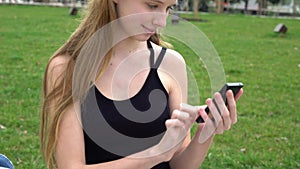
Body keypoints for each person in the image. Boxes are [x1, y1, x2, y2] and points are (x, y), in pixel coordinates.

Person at [40, 0, 243, 169]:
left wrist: (205, 133)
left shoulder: (171, 63)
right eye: (153, 5)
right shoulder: (67, 68)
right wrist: (153, 155)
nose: (162, 21)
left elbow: (180, 164)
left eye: (168, 8)